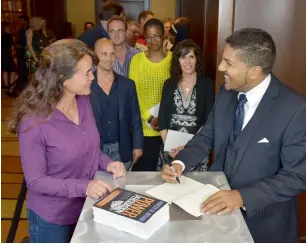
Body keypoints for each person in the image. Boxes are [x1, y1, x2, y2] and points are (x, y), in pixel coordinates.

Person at [161, 28, 306, 242]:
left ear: (254, 71)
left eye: (228, 63)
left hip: (266, 227)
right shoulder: (226, 93)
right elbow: (206, 136)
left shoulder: (295, 109)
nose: (220, 68)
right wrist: (179, 164)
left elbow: (297, 176)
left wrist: (241, 197)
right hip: (216, 219)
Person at [8, 39, 126, 243]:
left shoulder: (83, 101)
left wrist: (108, 163)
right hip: (53, 218)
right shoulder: (33, 123)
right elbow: (36, 181)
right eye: (87, 72)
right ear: (63, 78)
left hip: (86, 207)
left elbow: (89, 149)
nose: (93, 77)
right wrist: (84, 187)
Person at [159, 39, 214, 171]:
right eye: (183, 57)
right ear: (177, 60)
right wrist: (169, 146)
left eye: (191, 57)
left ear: (197, 60)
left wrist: (189, 148)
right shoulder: (169, 84)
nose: (187, 62)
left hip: (196, 150)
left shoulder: (206, 84)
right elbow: (163, 119)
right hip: (170, 150)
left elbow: (209, 121)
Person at [90, 38, 143, 170]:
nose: (109, 58)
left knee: (121, 189)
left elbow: (135, 117)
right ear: (95, 56)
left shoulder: (128, 85)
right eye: (104, 54)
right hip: (95, 151)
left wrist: (138, 145)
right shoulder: (86, 85)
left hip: (122, 149)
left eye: (112, 54)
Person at [129, 18, 172, 171]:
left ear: (164, 36)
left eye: (157, 35)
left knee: (166, 179)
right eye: (148, 36)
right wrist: (149, 117)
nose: (152, 40)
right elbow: (132, 95)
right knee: (143, 178)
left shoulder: (173, 60)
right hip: (143, 130)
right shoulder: (137, 60)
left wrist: (163, 119)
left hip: (168, 130)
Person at [6, 15, 29, 97]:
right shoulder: (21, 30)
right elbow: (18, 42)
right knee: (22, 73)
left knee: (23, 74)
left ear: (26, 21)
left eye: (22, 20)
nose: (20, 22)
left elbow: (25, 43)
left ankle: (15, 90)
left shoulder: (28, 30)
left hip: (25, 54)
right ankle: (15, 90)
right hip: (21, 54)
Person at [1, 22, 16, 91]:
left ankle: (7, 87)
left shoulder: (2, 35)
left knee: (5, 71)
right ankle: (11, 88)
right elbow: (12, 47)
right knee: (13, 71)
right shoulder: (9, 36)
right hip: (8, 55)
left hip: (2, 55)